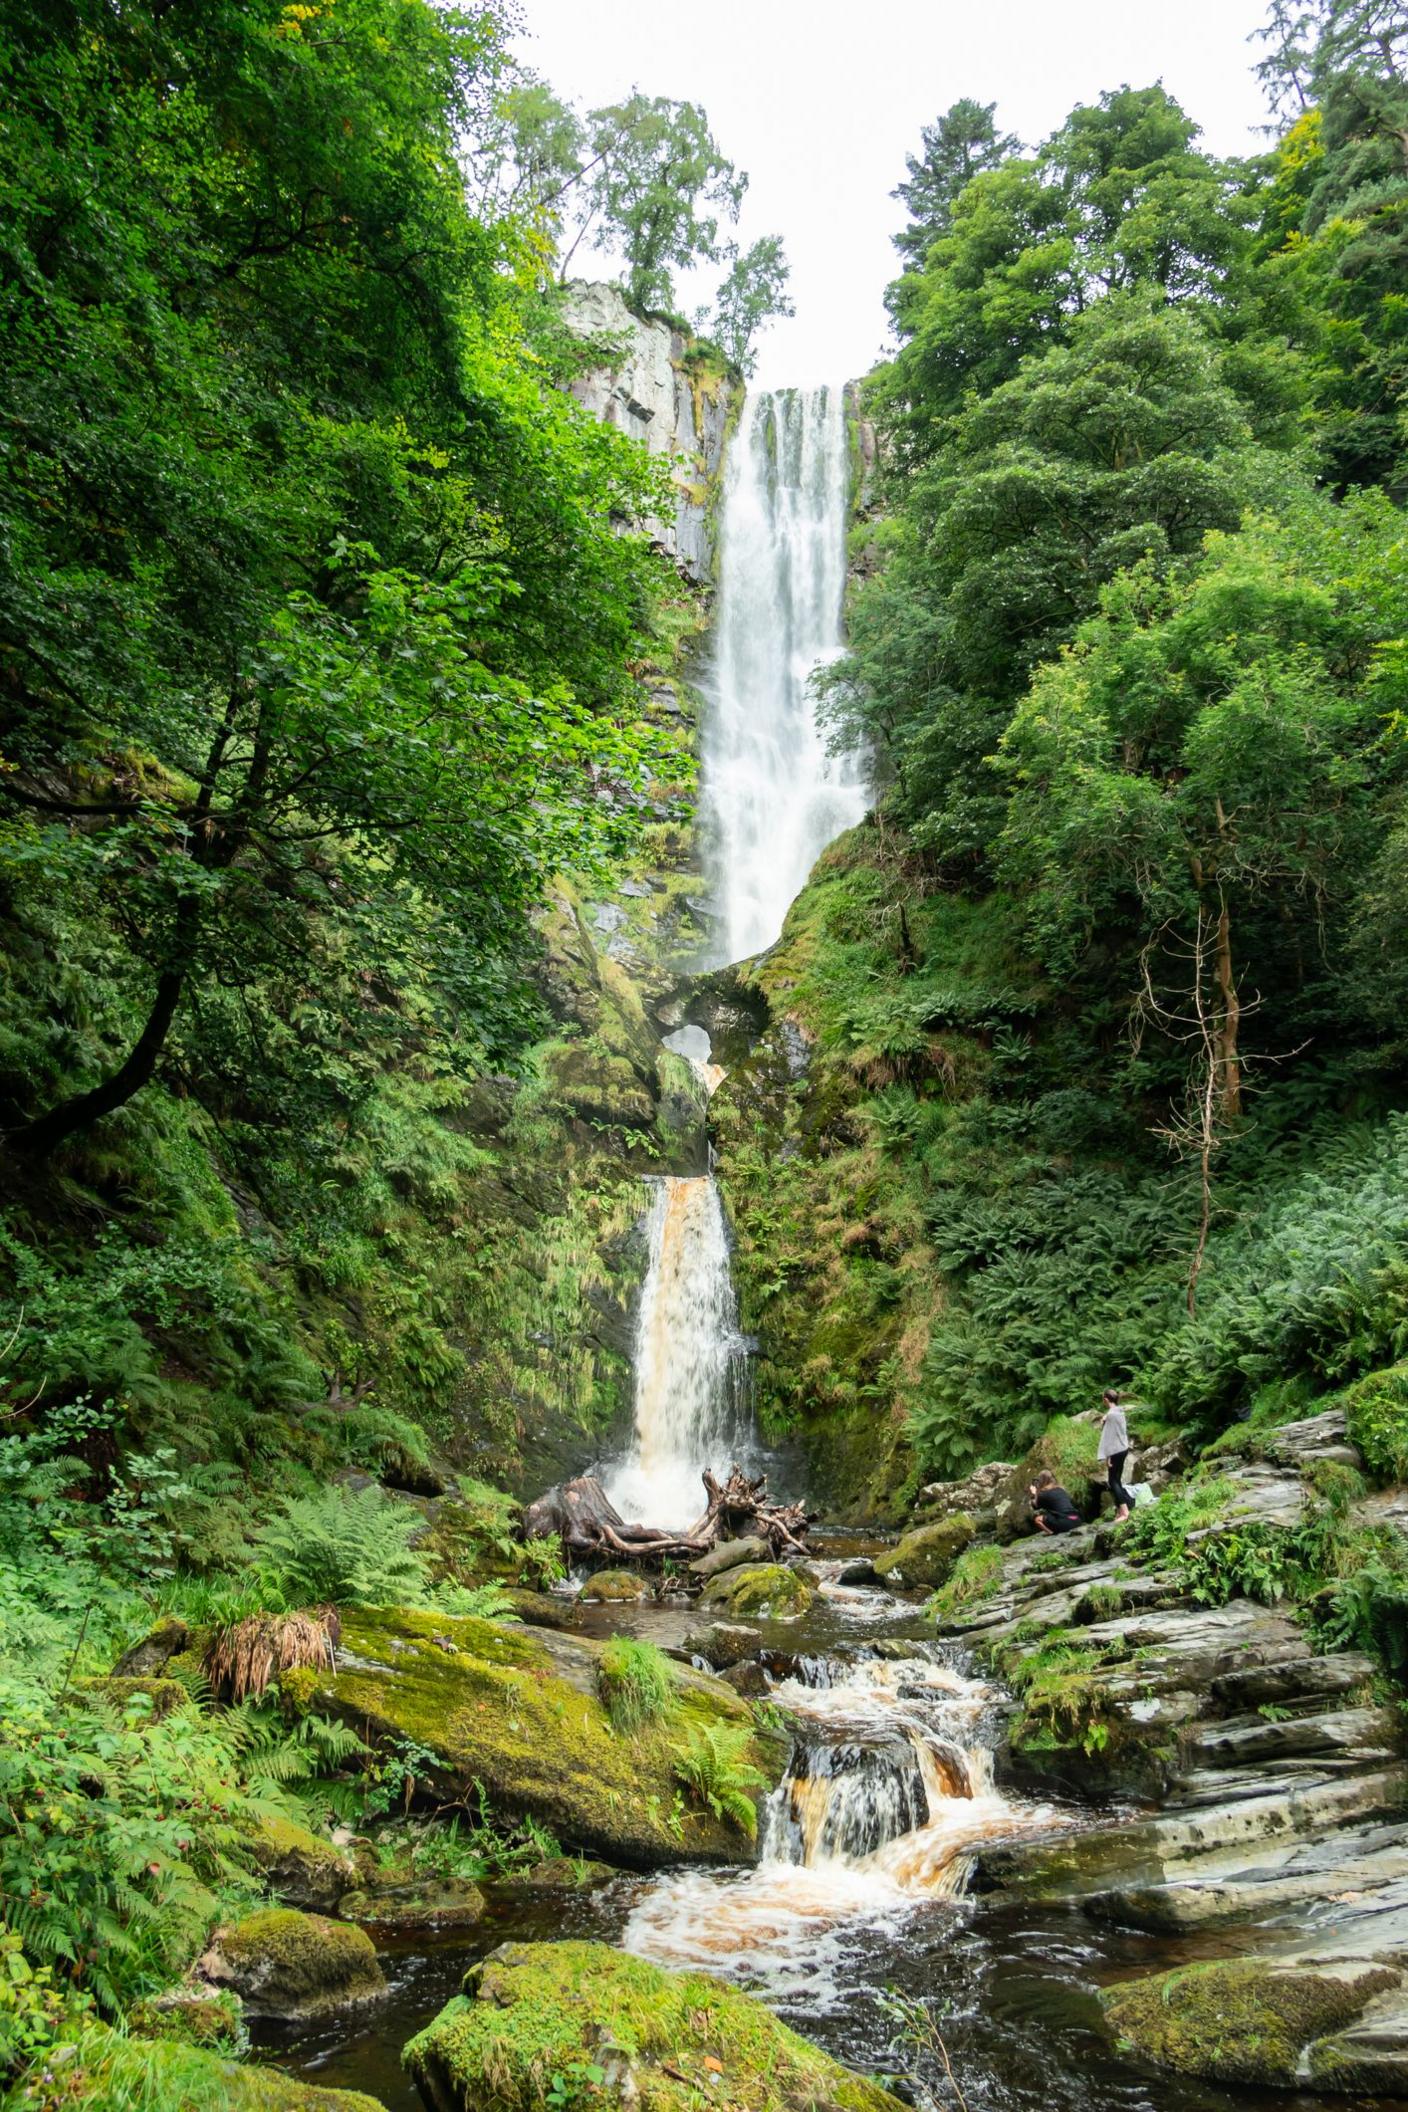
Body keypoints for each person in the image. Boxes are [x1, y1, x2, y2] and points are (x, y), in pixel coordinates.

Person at [1099, 1388, 1135, 1522]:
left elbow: (1108, 1437)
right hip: (1123, 1448)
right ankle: (1121, 1511)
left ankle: (1125, 1512)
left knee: (1112, 1481)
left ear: (1106, 1399)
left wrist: (1107, 1457)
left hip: (1115, 1450)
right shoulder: (1119, 1411)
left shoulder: (1111, 1415)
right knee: (1117, 1480)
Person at [1029, 1469, 1081, 1534]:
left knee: (1038, 1519)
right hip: (1076, 1519)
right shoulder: (1061, 1489)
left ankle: (1050, 1532)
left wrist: (1035, 1492)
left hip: (1065, 1523)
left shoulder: (1043, 1494)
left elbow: (1035, 1506)